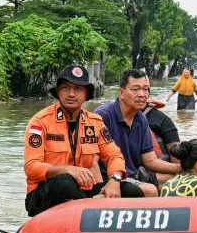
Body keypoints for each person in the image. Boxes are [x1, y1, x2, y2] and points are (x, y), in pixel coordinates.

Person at [24, 64, 132, 216]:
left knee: (130, 189)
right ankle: (93, 212)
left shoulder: (95, 122)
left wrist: (115, 179)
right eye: (66, 88)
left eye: (78, 89)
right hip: (43, 194)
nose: (71, 94)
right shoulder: (40, 122)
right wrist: (68, 169)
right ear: (58, 91)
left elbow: (114, 156)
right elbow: (31, 167)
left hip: (83, 190)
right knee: (65, 182)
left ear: (86, 93)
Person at [95, 70, 182, 197]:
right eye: (135, 89)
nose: (142, 94)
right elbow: (91, 160)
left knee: (179, 180)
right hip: (110, 178)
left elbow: (150, 161)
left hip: (134, 174)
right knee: (150, 190)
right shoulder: (103, 116)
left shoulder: (141, 119)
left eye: (145, 89)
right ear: (121, 93)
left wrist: (182, 168)